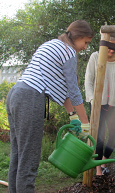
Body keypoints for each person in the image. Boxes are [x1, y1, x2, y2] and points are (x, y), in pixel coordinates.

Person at [6, 20, 94, 193]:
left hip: (16, 94)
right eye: (86, 43)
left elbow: (57, 84)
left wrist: (72, 115)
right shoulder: (68, 52)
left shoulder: (53, 45)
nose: (85, 48)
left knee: (18, 157)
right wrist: (85, 123)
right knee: (29, 160)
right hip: (30, 98)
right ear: (77, 37)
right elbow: (74, 90)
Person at [84, 37, 115, 176]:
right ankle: (98, 170)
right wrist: (92, 100)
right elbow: (88, 81)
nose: (112, 49)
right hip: (96, 104)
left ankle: (103, 161)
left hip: (112, 105)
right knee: (100, 137)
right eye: (109, 46)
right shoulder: (95, 57)